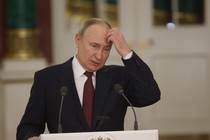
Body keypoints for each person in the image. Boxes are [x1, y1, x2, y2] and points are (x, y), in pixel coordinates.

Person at [16, 18, 161, 140]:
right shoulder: (47, 79)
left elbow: (150, 95)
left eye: (106, 49)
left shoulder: (118, 78)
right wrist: (31, 138)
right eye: (94, 46)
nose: (99, 55)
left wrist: (126, 52)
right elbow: (28, 127)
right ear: (78, 40)